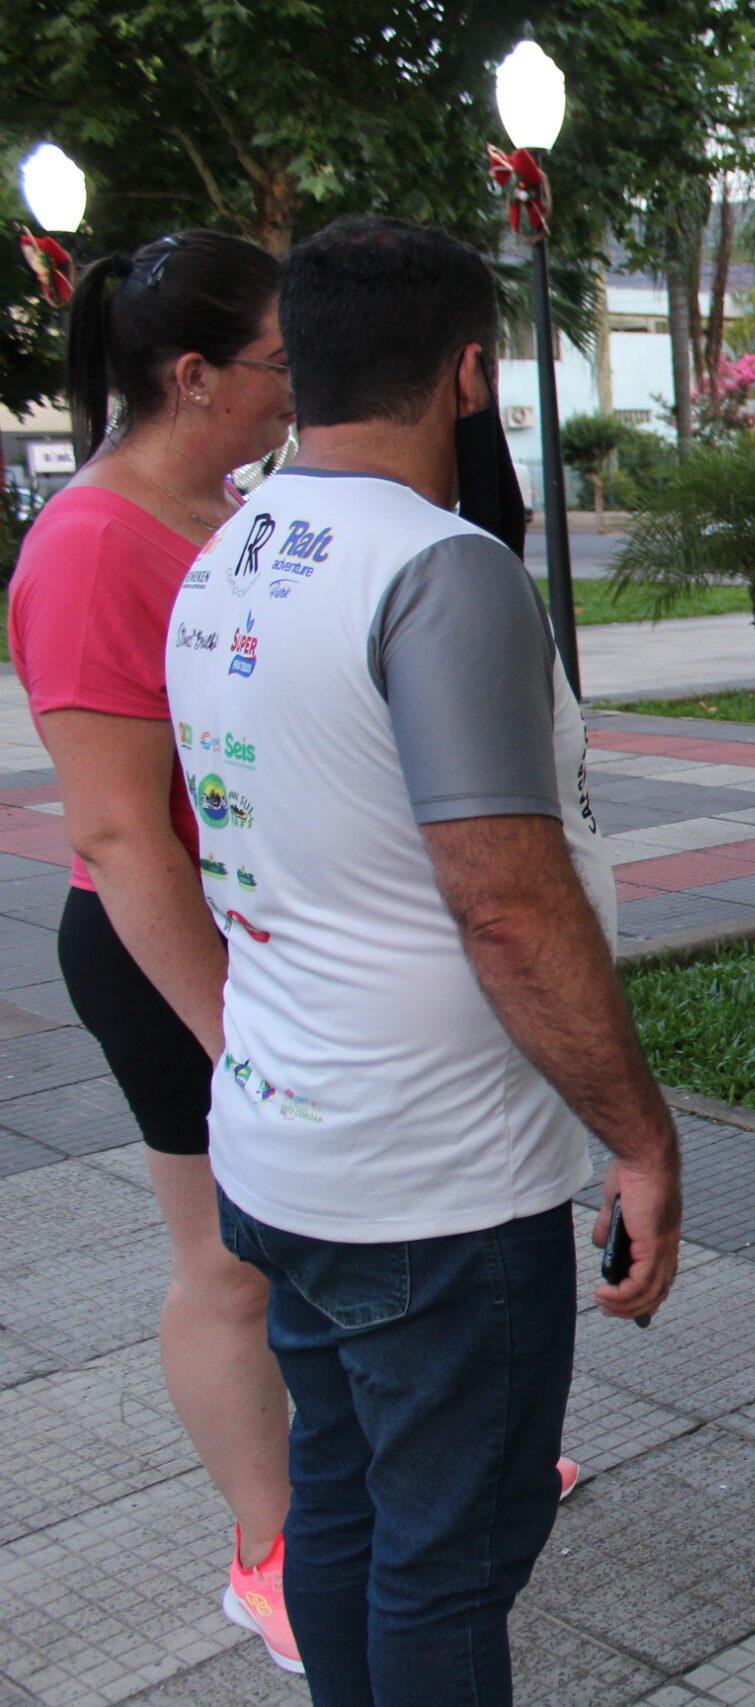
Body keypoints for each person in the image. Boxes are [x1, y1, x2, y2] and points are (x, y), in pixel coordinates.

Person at [162, 214, 682, 1703]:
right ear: (470, 370)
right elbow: (507, 905)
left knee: (341, 1497)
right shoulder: (441, 572)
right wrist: (639, 1139)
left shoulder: (228, 554)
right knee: (449, 1556)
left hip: (279, 1146)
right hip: (431, 1186)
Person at [9, 231, 305, 1669]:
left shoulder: (241, 507)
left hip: (275, 931)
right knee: (229, 1260)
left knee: (323, 1236)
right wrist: (238, 1032)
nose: (301, 380)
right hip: (167, 947)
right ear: (193, 377)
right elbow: (125, 839)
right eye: (278, 357)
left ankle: (372, 1486)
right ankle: (272, 1551)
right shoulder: (86, 546)